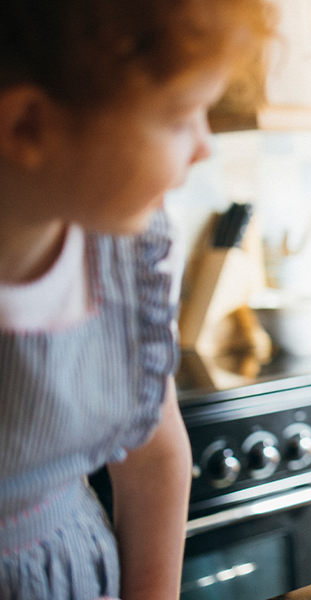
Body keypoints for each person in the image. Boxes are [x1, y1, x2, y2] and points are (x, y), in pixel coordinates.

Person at [0, 1, 274, 598]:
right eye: (180, 117)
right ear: (28, 127)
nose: (204, 145)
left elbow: (153, 456)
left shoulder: (129, 256)